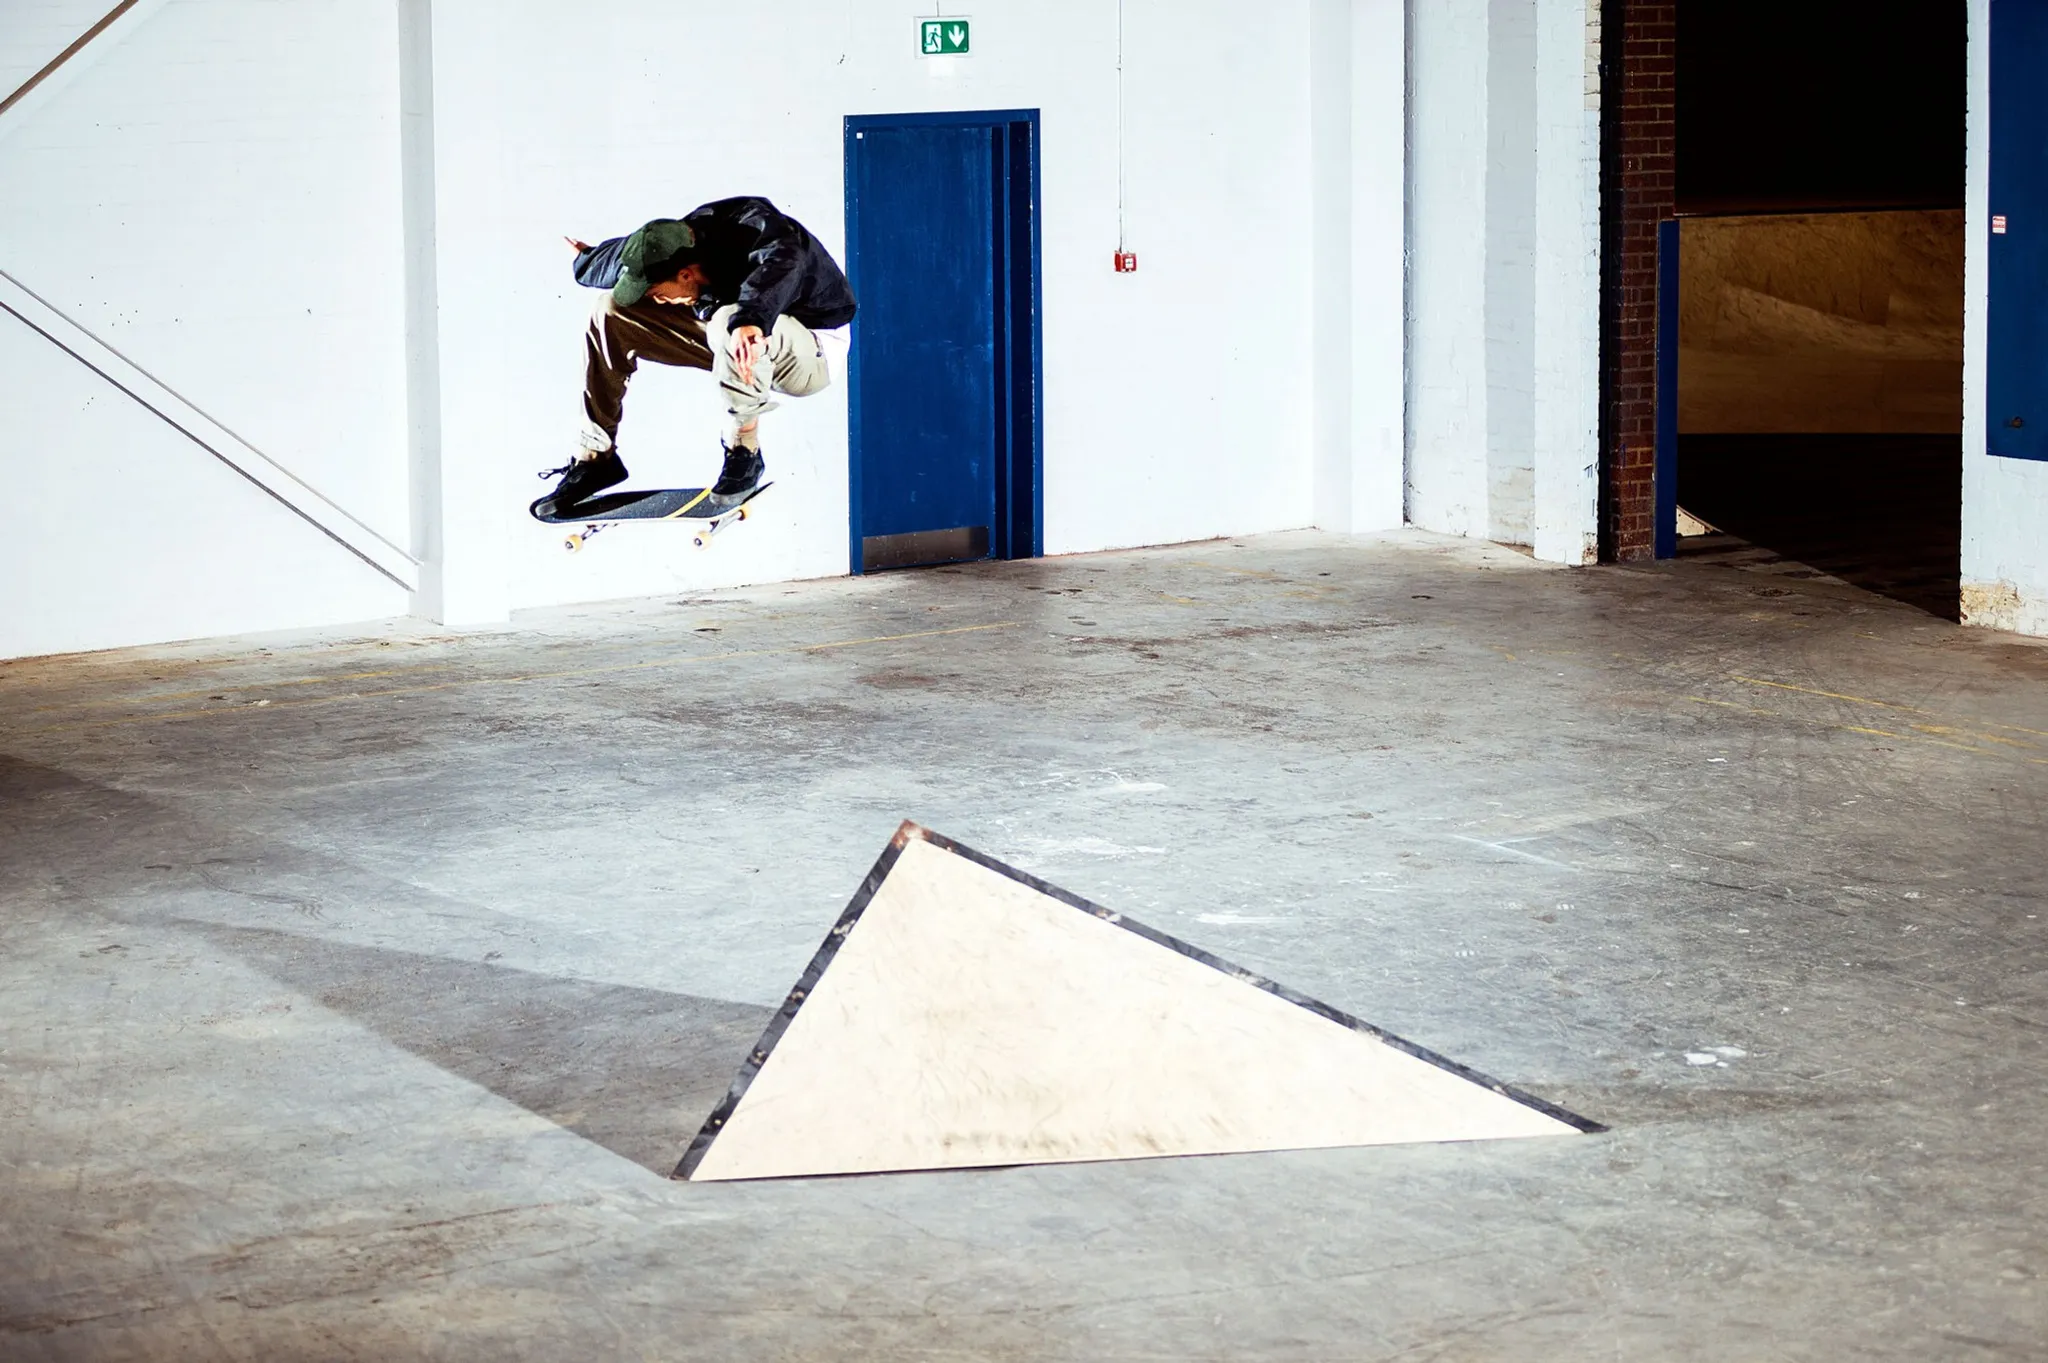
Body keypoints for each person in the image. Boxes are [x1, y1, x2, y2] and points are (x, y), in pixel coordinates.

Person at [535, 197, 857, 517]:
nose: (657, 302)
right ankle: (595, 458)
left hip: (810, 353)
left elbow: (786, 260)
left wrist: (751, 319)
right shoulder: (671, 244)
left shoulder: (762, 237)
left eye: (658, 293)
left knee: (727, 319)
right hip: (739, 345)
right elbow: (617, 259)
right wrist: (586, 260)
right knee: (610, 311)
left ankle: (744, 450)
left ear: (687, 274)